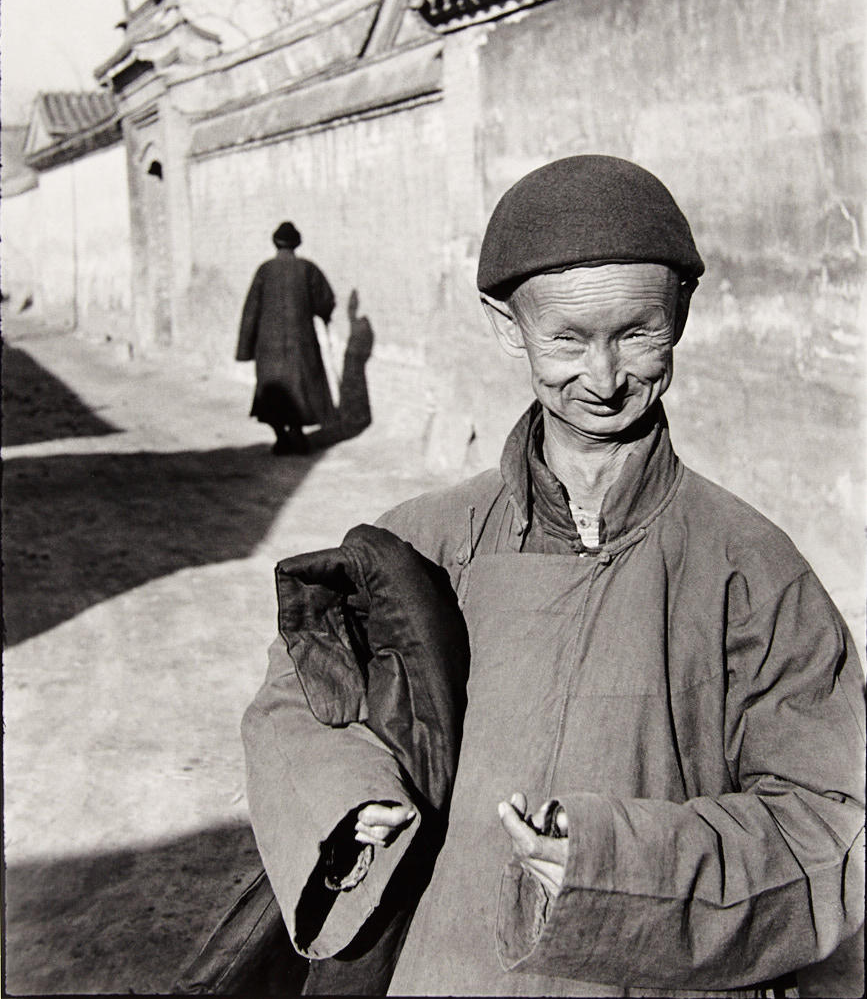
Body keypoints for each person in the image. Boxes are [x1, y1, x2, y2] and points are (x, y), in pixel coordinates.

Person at [241, 157, 865, 996]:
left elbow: (829, 823)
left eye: (638, 334)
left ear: (680, 309)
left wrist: (617, 862)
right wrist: (351, 795)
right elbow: (304, 698)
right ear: (507, 326)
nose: (604, 380)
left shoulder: (751, 569)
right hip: (441, 963)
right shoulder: (422, 542)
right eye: (567, 340)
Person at [236, 222, 336, 454]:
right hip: (301, 345)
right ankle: (297, 434)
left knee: (273, 391)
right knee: (300, 388)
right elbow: (325, 300)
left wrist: (245, 349)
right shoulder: (307, 269)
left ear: (275, 243)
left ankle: (282, 437)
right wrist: (323, 314)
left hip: (268, 346)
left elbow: (251, 310)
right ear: (297, 244)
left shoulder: (264, 270)